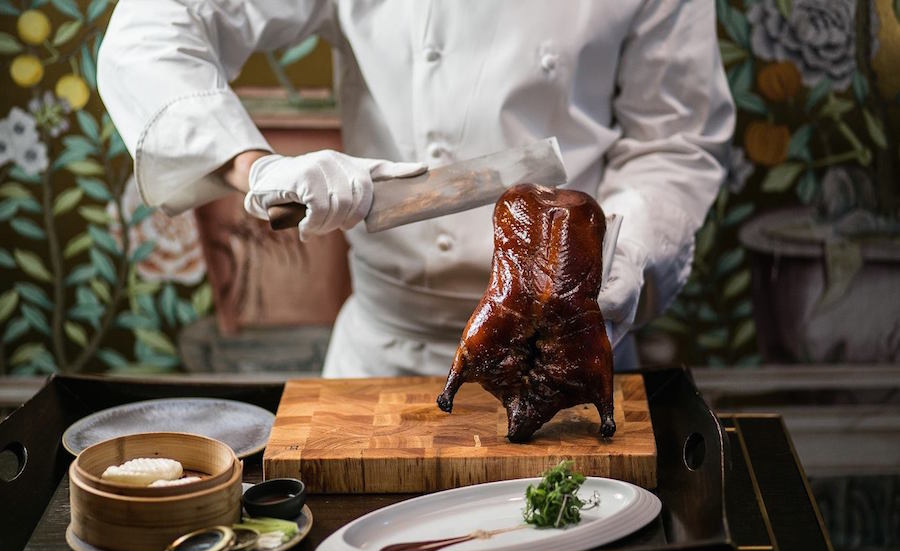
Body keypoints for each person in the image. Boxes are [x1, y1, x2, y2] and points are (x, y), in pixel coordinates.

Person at [97, 0, 734, 377]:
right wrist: (255, 167)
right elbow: (157, 23)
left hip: (567, 351)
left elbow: (674, 140)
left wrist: (630, 248)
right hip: (379, 355)